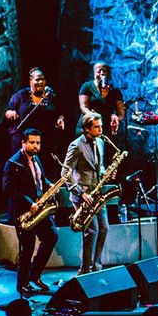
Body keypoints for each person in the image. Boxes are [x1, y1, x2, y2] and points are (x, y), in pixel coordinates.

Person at [2, 128, 58, 297]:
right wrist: (29, 202)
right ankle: (23, 284)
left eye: (38, 143)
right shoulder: (13, 163)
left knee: (51, 236)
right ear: (23, 143)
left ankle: (34, 275)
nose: (35, 146)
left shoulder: (36, 158)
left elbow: (40, 179)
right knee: (27, 248)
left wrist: (49, 185)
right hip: (23, 212)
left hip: (39, 209)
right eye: (32, 143)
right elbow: (8, 189)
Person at [63, 112, 110, 274]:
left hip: (97, 194)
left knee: (104, 229)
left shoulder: (101, 142)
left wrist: (106, 174)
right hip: (82, 196)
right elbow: (65, 173)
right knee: (92, 231)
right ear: (86, 129)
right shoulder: (76, 145)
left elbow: (99, 166)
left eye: (101, 126)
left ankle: (97, 266)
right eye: (96, 127)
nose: (100, 130)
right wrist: (81, 193)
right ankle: (85, 269)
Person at [3, 67, 65, 156]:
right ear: (30, 81)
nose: (40, 82)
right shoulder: (21, 95)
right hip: (23, 138)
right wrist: (11, 113)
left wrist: (60, 119)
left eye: (43, 79)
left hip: (45, 140)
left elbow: (60, 112)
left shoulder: (51, 96)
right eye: (38, 79)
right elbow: (8, 111)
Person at [78, 61, 125, 136]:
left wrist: (116, 118)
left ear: (108, 74)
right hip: (89, 126)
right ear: (94, 73)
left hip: (106, 127)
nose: (102, 73)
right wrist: (92, 116)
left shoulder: (114, 90)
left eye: (104, 71)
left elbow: (121, 113)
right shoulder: (87, 86)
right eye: (99, 71)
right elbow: (83, 106)